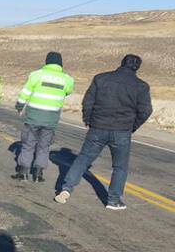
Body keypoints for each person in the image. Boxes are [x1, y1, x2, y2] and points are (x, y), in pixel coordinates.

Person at [54, 54, 152, 210]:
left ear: (121, 63)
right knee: (120, 167)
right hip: (122, 131)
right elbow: (146, 110)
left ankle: (66, 189)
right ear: (137, 68)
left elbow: (88, 101)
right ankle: (113, 200)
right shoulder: (141, 86)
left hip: (98, 127)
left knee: (83, 159)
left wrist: (88, 119)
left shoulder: (101, 78)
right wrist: (132, 126)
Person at [11, 52, 74, 182]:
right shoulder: (67, 78)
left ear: (47, 61)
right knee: (44, 146)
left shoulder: (36, 74)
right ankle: (38, 174)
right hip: (51, 119)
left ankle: (23, 172)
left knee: (28, 144)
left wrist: (19, 106)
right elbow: (68, 91)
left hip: (34, 116)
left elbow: (25, 92)